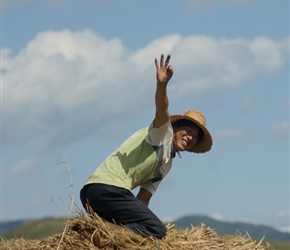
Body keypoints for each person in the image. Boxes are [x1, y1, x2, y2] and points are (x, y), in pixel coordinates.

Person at [80, 54, 213, 239]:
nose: (190, 137)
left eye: (195, 137)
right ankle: (106, 238)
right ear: (175, 127)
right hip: (106, 189)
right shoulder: (162, 133)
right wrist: (162, 85)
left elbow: (143, 199)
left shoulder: (166, 164)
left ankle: (107, 238)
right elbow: (162, 108)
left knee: (147, 228)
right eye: (188, 130)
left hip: (96, 196)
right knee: (157, 229)